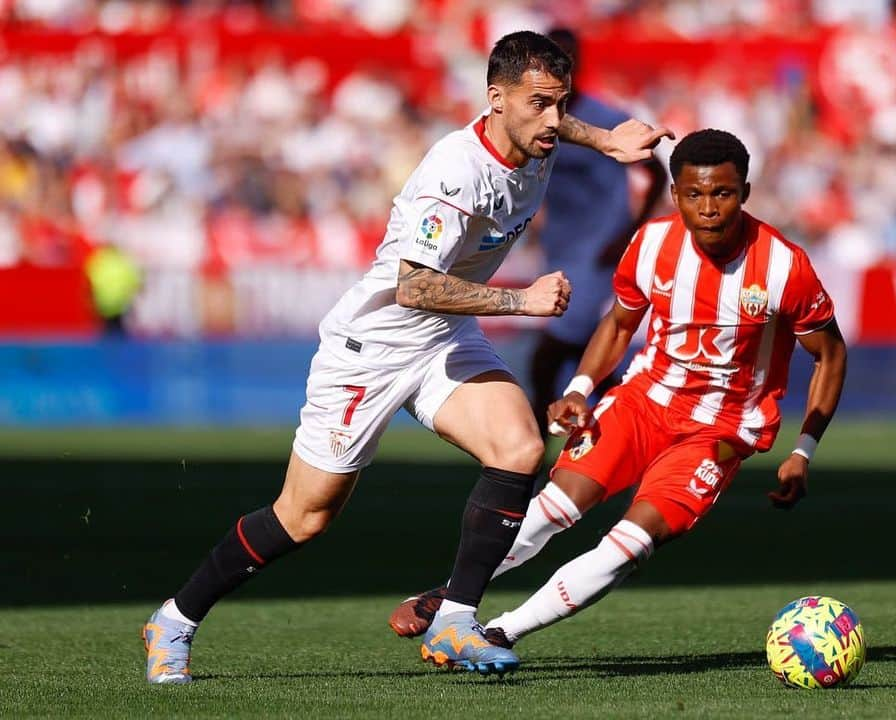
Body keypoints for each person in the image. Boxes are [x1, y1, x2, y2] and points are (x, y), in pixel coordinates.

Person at [142, 30, 673, 684]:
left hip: (442, 340)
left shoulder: (536, 132)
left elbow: (557, 125)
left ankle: (455, 621)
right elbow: (413, 285)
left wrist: (608, 139)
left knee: (518, 447)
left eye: (560, 104)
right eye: (539, 104)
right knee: (304, 518)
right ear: (494, 99)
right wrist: (521, 301)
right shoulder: (458, 171)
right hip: (376, 347)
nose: (553, 120)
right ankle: (174, 620)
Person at [388, 129, 847, 651]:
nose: (709, 208)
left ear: (745, 191)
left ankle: (500, 631)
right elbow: (619, 325)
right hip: (643, 401)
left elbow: (830, 354)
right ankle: (456, 599)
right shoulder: (651, 243)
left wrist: (803, 451)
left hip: (721, 429)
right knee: (553, 508)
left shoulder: (785, 267)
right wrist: (581, 389)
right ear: (675, 195)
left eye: (722, 193)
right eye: (694, 195)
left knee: (627, 545)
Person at [527, 28, 667, 436]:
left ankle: (529, 453)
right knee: (587, 351)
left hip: (597, 252)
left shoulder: (604, 117)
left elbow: (654, 168)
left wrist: (629, 234)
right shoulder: (537, 120)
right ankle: (622, 430)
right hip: (559, 250)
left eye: (569, 57)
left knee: (548, 356)